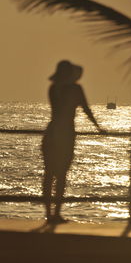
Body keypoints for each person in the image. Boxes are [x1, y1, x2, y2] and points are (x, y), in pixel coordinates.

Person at [42, 60, 105, 223]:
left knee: (49, 174)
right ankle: (56, 213)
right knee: (61, 175)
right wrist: (98, 127)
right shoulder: (75, 89)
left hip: (51, 131)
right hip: (66, 134)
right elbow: (86, 108)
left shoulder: (53, 88)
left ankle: (48, 213)